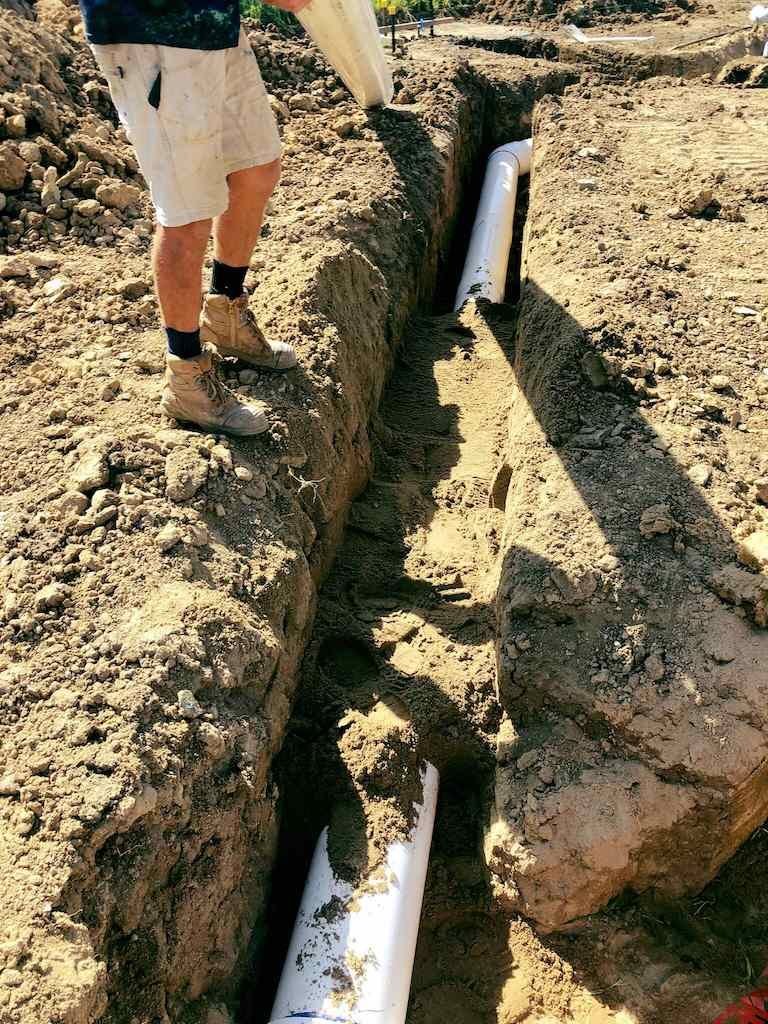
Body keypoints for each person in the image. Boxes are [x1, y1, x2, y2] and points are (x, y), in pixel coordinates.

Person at [77, 0, 310, 435]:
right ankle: (186, 377)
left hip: (213, 26)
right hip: (152, 35)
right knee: (188, 213)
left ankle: (225, 315)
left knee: (256, 168)